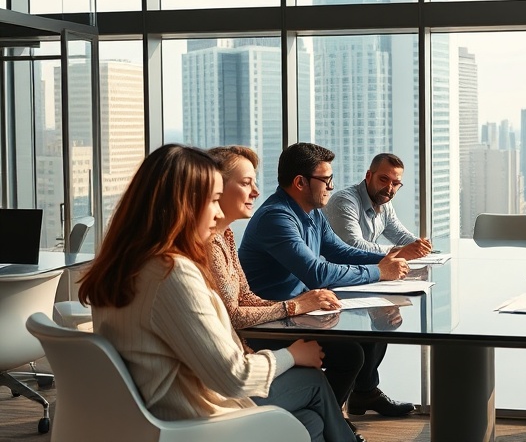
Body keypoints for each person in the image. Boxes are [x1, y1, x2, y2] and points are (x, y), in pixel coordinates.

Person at [78, 144, 355, 442]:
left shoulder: (124, 263)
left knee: (310, 423)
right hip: (188, 417)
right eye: (213, 200)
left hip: (148, 411)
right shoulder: (172, 274)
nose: (217, 211)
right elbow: (235, 378)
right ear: (185, 204)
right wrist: (291, 354)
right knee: (313, 383)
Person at [239, 142, 415, 417]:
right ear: (300, 182)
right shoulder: (276, 218)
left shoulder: (312, 213)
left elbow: (339, 251)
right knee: (350, 354)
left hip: (303, 309)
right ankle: (327, 421)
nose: (331, 187)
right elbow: (318, 273)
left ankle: (364, 394)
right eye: (326, 180)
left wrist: (385, 261)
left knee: (375, 325)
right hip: (271, 320)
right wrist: (381, 272)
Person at [206, 146, 366, 440]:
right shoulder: (270, 219)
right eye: (246, 183)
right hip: (255, 340)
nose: (256, 191)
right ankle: (341, 428)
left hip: (254, 333)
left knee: (312, 419)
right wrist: (293, 308)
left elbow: (244, 299)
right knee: (330, 370)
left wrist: (384, 261)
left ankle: (334, 422)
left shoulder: (225, 237)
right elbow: (233, 316)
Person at [323, 153, 431, 259]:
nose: (389, 188)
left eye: (395, 183)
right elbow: (354, 246)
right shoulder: (345, 202)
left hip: (362, 270)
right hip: (336, 272)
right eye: (383, 179)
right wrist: (398, 251)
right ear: (368, 176)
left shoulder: (384, 203)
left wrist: (419, 246)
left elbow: (400, 235)